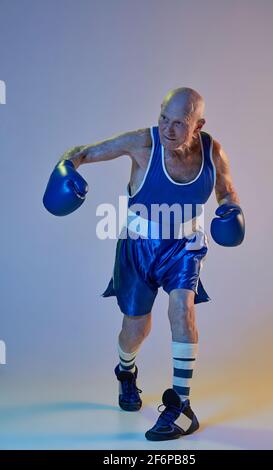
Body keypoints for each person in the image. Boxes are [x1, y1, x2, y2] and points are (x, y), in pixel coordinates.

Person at [43, 87, 245, 441]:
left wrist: (232, 208)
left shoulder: (214, 152)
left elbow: (226, 191)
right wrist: (64, 168)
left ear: (198, 125)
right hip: (139, 245)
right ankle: (126, 370)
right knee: (135, 329)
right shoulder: (143, 144)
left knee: (183, 310)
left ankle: (181, 405)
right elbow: (83, 153)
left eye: (178, 123)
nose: (167, 129)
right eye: (163, 118)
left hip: (185, 245)